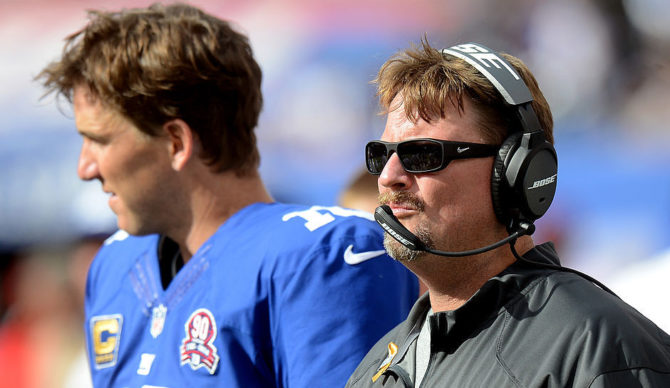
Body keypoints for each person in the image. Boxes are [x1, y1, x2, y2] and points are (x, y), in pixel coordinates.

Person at [37, 3, 418, 387]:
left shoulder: (323, 256)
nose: (85, 167)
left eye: (99, 140)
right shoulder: (116, 263)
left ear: (175, 143)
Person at [346, 39, 670, 387]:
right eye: (381, 154)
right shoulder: (377, 365)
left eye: (423, 154)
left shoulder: (598, 346)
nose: (388, 177)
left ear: (517, 174)